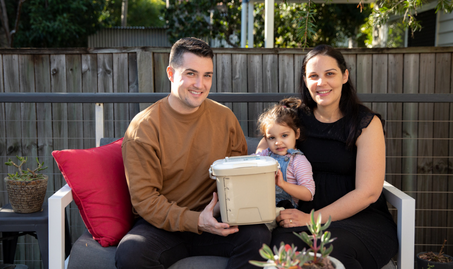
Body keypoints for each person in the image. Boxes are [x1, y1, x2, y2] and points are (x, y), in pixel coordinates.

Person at [116, 37, 271, 269]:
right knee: (131, 253)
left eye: (207, 75)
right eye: (191, 73)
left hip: (217, 217)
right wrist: (197, 220)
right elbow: (145, 201)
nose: (200, 84)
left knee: (258, 237)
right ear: (170, 73)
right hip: (162, 227)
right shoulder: (144, 127)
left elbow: (238, 179)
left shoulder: (225, 118)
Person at [259, 45, 398, 269]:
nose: (321, 83)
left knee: (332, 250)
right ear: (305, 80)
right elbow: (262, 156)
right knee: (281, 254)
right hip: (299, 215)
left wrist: (311, 219)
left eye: (329, 74)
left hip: (359, 219)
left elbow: (368, 193)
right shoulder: (292, 120)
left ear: (345, 76)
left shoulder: (365, 123)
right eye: (313, 76)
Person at [255, 97, 315, 209]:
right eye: (272, 138)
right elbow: (251, 162)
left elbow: (308, 194)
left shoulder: (298, 161)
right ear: (266, 139)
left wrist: (283, 184)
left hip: (285, 209)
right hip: (262, 205)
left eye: (284, 135)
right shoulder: (265, 155)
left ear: (297, 134)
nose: (278, 142)